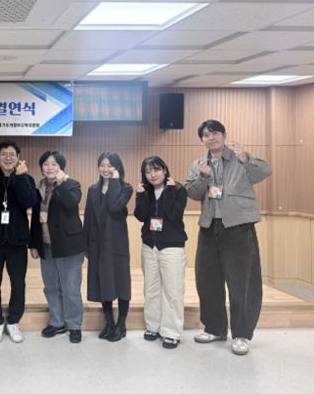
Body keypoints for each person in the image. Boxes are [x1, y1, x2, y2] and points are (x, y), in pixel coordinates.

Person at [186, 119, 271, 356]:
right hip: (209, 226)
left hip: (238, 227)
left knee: (242, 283)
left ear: (224, 135)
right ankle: (214, 328)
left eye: (215, 133)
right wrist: (203, 177)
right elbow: (192, 192)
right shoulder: (199, 164)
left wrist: (245, 157)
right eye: (206, 135)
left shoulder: (239, 158)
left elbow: (264, 172)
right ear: (202, 140)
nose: (211, 138)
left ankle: (242, 334)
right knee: (207, 280)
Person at [0, 141, 36, 344]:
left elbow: (29, 202)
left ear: (18, 157)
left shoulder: (26, 178)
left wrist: (21, 177)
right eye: (4, 154)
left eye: (12, 154)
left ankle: (13, 321)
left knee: (18, 284)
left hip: (17, 242)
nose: (8, 158)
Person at [30, 151, 87, 343]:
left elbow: (71, 204)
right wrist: (33, 243)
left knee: (70, 288)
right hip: (46, 246)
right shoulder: (38, 187)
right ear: (41, 167)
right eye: (46, 164)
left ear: (61, 167)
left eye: (54, 164)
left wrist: (61, 183)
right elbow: (35, 218)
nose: (50, 168)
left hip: (68, 246)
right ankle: (57, 321)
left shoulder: (72, 185)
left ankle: (74, 325)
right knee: (51, 287)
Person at [133, 156, 188, 349]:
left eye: (156, 170)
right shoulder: (145, 191)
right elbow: (140, 216)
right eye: (148, 172)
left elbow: (174, 215)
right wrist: (141, 196)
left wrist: (169, 191)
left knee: (173, 291)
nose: (152, 175)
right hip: (149, 246)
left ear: (165, 170)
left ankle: (171, 332)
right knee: (151, 289)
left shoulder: (178, 189)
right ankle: (153, 326)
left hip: (172, 248)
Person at [85, 151, 133, 342]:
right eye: (102, 165)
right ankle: (110, 322)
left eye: (110, 165)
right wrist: (86, 245)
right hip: (97, 244)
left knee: (121, 283)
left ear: (117, 167)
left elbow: (114, 206)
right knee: (103, 281)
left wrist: (114, 182)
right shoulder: (92, 189)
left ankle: (121, 324)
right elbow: (88, 217)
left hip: (116, 244)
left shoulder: (126, 188)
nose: (106, 169)